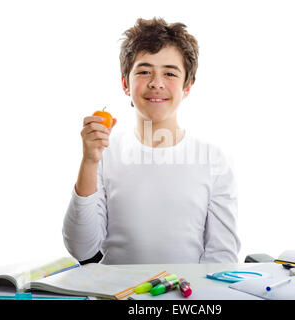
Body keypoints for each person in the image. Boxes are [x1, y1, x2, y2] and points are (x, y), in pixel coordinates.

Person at [62, 17, 240, 264]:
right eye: (144, 71)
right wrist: (89, 162)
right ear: (126, 84)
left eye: (170, 73)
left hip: (184, 296)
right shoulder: (105, 154)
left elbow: (222, 257)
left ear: (187, 87)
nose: (156, 83)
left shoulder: (213, 159)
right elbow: (81, 249)